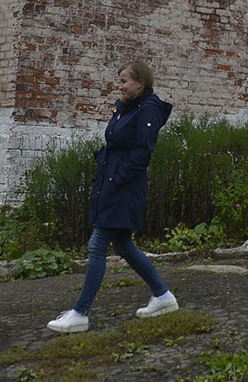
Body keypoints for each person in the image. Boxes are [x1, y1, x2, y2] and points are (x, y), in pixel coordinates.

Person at [46, 60, 178, 333]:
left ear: (139, 83)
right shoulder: (127, 109)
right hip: (112, 183)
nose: (120, 86)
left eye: (124, 81)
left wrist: (118, 179)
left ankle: (80, 313)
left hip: (124, 187)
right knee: (123, 245)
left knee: (97, 246)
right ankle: (163, 296)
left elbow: (143, 152)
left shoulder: (147, 110)